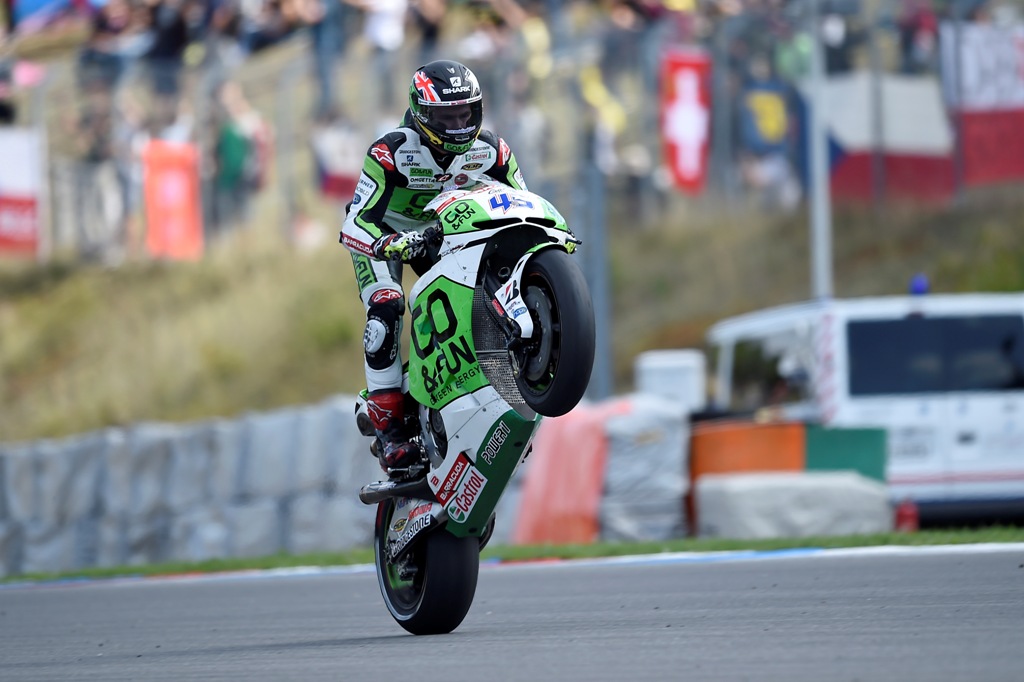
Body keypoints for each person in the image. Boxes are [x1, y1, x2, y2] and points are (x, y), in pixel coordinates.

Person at [339, 59, 528, 474]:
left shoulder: (493, 151)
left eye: (466, 113)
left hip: (445, 234)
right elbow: (354, 221)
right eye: (446, 116)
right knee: (386, 307)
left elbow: (523, 206)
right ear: (422, 114)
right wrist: (390, 243)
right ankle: (389, 427)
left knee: (486, 295)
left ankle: (503, 394)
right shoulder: (390, 152)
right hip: (387, 238)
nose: (459, 124)